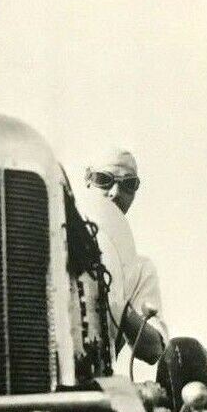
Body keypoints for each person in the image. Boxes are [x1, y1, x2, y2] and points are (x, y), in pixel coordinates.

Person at [77, 147, 167, 364]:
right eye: (104, 180)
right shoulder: (52, 235)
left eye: (128, 184)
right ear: (88, 180)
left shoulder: (140, 268)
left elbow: (155, 349)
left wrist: (118, 305)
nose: (116, 192)